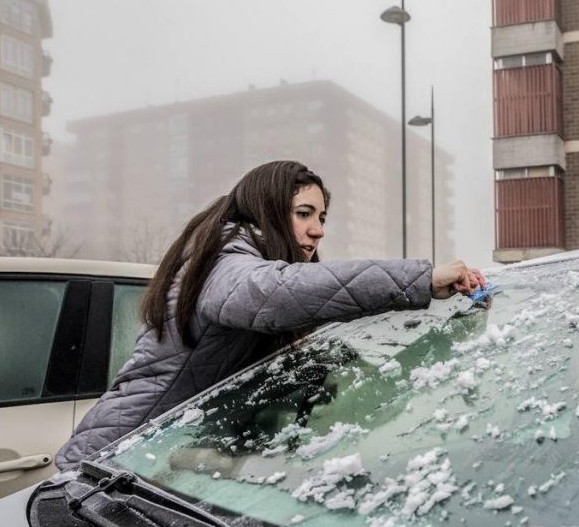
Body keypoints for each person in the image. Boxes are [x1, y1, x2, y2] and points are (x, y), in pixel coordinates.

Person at [56, 160, 484, 468]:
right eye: (304, 214)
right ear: (267, 211)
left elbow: (324, 308)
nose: (318, 229)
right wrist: (421, 280)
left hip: (153, 461)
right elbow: (275, 296)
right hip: (112, 462)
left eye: (321, 217)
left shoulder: (234, 258)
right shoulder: (225, 261)